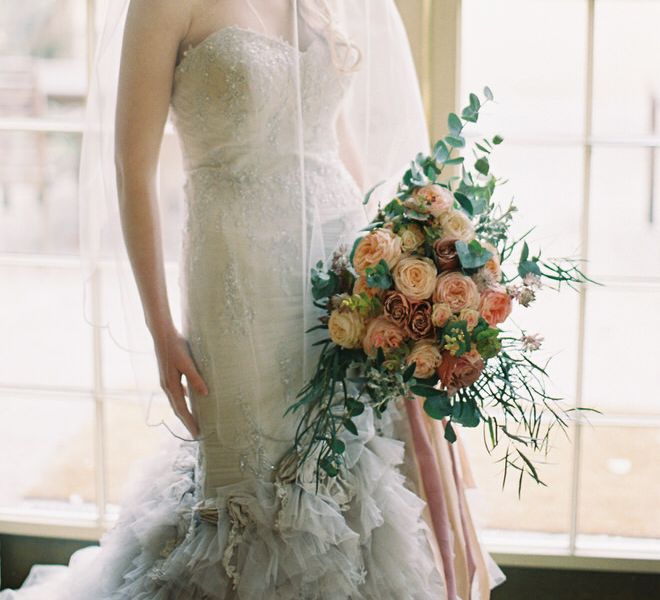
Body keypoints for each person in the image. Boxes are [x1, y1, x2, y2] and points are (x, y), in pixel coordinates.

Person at [0, 0, 505, 598]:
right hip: (240, 274)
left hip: (343, 271)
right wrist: (162, 332)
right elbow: (130, 169)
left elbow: (333, 140)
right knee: (250, 482)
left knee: (348, 465)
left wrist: (397, 259)